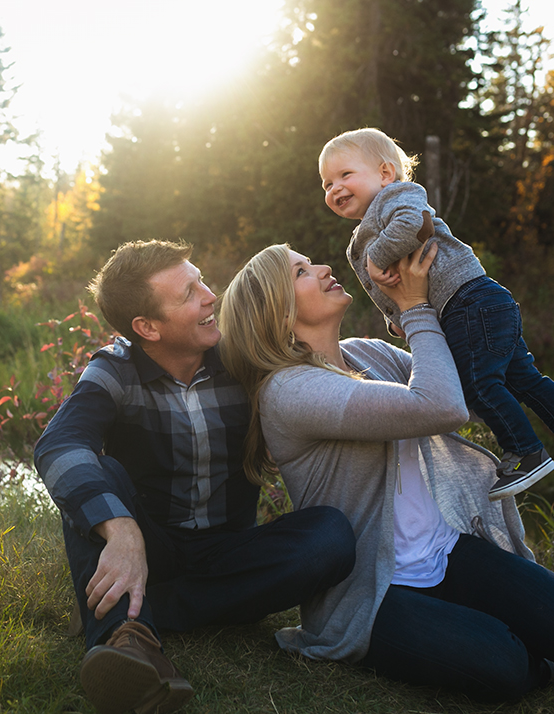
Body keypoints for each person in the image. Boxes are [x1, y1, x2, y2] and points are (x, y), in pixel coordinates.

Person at [217, 240, 554, 701]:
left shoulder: (368, 354)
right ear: (281, 316)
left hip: (448, 553)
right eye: (302, 272)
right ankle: (529, 648)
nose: (324, 267)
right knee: (502, 666)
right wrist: (414, 308)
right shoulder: (290, 391)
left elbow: (465, 391)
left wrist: (476, 315)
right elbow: (441, 406)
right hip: (374, 590)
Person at [33, 239, 356, 714]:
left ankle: (145, 615)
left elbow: (318, 372)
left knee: (329, 536)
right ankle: (122, 642)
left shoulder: (242, 357)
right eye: (188, 293)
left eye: (202, 280)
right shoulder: (114, 372)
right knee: (97, 472)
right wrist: (122, 531)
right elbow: (58, 445)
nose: (211, 296)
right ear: (147, 327)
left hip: (227, 550)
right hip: (152, 544)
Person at [318, 127, 554, 501]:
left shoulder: (397, 197)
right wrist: (397, 317)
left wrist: (377, 258)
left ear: (385, 173)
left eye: (345, 175)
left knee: (476, 383)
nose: (335, 188)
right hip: (477, 303)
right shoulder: (367, 227)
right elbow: (392, 285)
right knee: (522, 378)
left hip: (468, 302)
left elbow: (414, 224)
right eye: (326, 184)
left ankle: (526, 452)